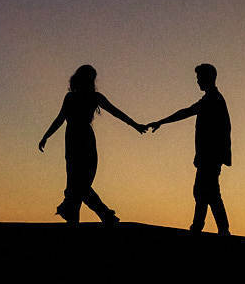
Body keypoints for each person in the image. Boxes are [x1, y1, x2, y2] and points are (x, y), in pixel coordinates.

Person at [38, 64, 147, 224]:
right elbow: (60, 118)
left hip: (85, 142)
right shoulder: (70, 98)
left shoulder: (95, 97)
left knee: (79, 186)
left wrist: (135, 125)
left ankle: (96, 214)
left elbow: (115, 112)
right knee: (77, 186)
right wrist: (46, 136)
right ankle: (101, 215)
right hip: (73, 143)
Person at [148, 63, 231, 235]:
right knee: (206, 192)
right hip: (210, 156)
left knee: (206, 192)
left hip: (210, 157)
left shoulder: (213, 100)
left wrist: (161, 122)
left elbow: (188, 114)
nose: (197, 81)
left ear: (207, 78)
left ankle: (211, 228)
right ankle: (204, 227)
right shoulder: (212, 98)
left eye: (199, 78)